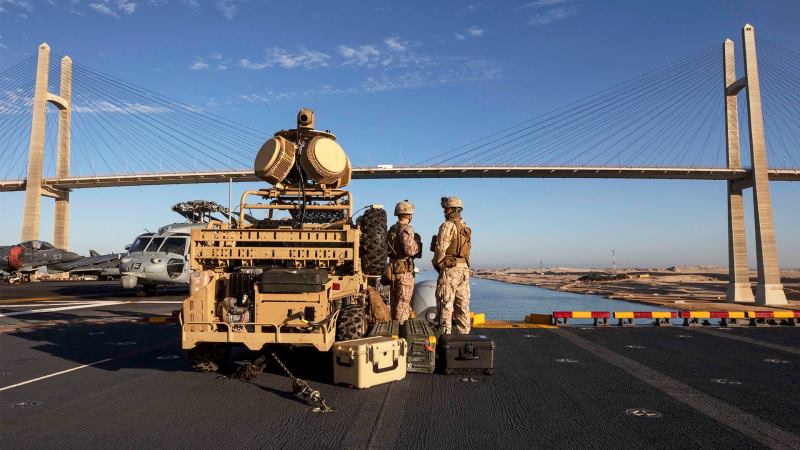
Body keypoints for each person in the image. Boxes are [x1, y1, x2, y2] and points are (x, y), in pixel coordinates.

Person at [432, 196, 472, 334]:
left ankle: (445, 339)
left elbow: (440, 249)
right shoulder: (465, 227)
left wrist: (438, 264)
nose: (444, 211)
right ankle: (464, 337)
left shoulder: (447, 226)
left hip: (450, 271)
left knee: (445, 306)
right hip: (464, 271)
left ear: (449, 209)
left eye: (445, 209)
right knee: (463, 307)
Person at [386, 200, 421, 324]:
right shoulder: (405, 229)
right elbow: (410, 251)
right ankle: (401, 332)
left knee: (394, 304)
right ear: (409, 215)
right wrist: (417, 244)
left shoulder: (392, 229)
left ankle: (394, 331)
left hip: (393, 270)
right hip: (404, 273)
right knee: (403, 305)